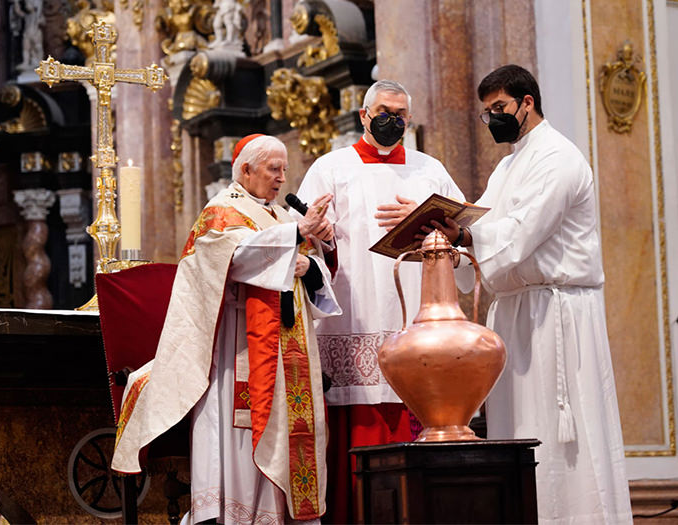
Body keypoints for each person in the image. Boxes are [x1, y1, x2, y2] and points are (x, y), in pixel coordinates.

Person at [111, 134, 341, 523]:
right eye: (274, 169)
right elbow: (235, 259)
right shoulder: (222, 211)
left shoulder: (281, 216)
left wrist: (313, 263)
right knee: (241, 440)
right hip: (238, 350)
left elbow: (307, 267)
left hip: (289, 353)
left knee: (287, 439)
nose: (282, 179)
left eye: (285, 170)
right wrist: (296, 240)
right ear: (246, 170)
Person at [438, 64, 632, 524]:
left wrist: (466, 240)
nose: (493, 120)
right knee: (517, 430)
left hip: (556, 313)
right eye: (487, 113)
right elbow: (485, 227)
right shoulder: (509, 166)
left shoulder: (558, 157)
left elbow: (522, 232)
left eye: (500, 108)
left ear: (527, 103)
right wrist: (446, 240)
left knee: (562, 436)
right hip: (515, 313)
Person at [295, 79, 464, 522]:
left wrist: (441, 227)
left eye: (401, 114)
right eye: (384, 112)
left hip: (421, 318)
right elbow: (303, 246)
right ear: (364, 116)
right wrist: (321, 239)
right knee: (358, 434)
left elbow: (462, 239)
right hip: (356, 312)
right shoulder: (329, 168)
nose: (394, 121)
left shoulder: (431, 170)